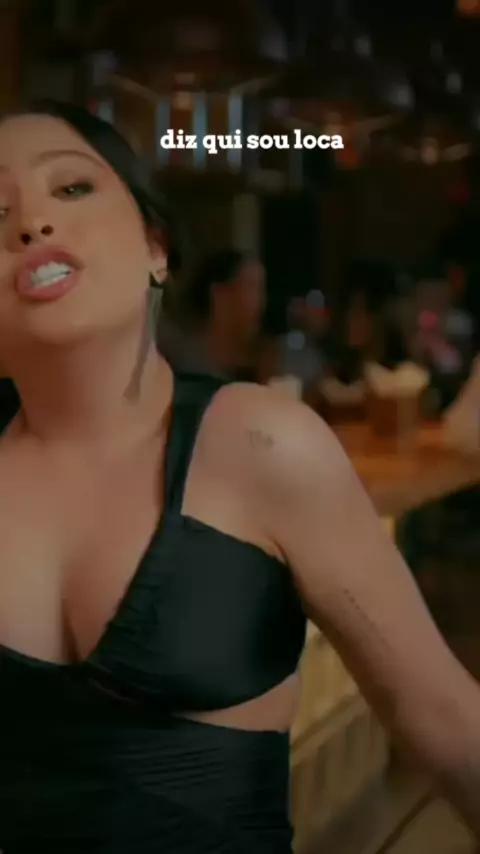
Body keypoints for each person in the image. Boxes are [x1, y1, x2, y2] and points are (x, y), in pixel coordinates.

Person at [1, 101, 480, 853]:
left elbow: (444, 718)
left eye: (70, 188)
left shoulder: (258, 442)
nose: (31, 223)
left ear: (156, 247)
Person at [156, 248, 265, 379]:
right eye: (252, 287)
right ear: (220, 294)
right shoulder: (174, 363)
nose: (261, 302)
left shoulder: (246, 371)